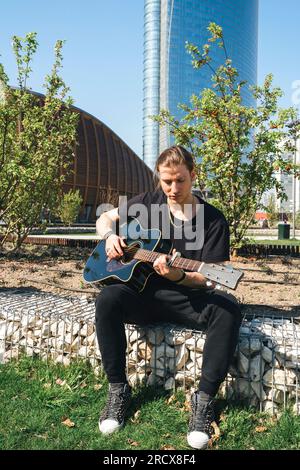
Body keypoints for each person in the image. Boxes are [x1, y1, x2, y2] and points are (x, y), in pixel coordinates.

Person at [95, 145, 242, 450]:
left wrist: (177, 275)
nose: (173, 189)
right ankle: (118, 390)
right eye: (167, 182)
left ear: (193, 175)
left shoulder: (212, 219)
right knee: (108, 298)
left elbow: (209, 276)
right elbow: (104, 218)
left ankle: (203, 403)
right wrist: (110, 237)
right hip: (143, 295)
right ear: (159, 179)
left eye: (180, 181)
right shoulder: (147, 204)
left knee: (228, 308)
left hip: (186, 297)